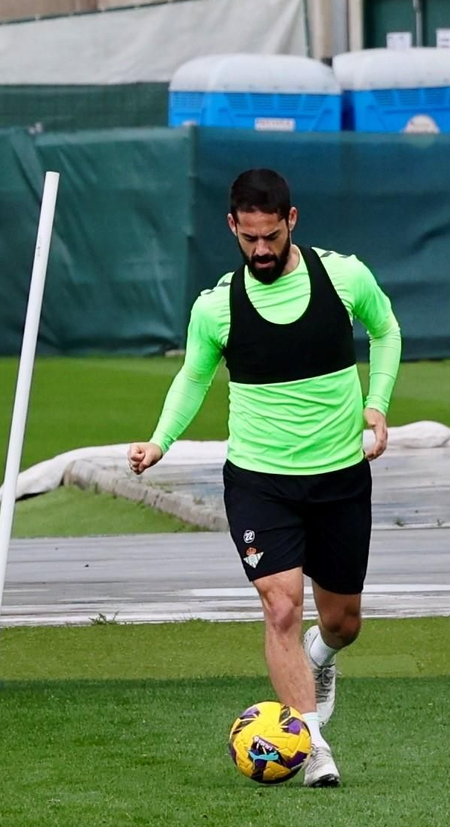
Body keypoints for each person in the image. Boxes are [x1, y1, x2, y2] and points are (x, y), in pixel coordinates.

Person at [128, 169, 402, 789]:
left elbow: (386, 331)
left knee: (343, 622)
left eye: (271, 237)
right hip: (259, 480)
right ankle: (312, 746)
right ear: (232, 227)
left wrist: (378, 401)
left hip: (338, 477)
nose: (260, 250)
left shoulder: (344, 277)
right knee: (280, 604)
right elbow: (193, 378)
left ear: (292, 222)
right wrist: (160, 441)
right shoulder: (215, 307)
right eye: (249, 237)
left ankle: (321, 656)